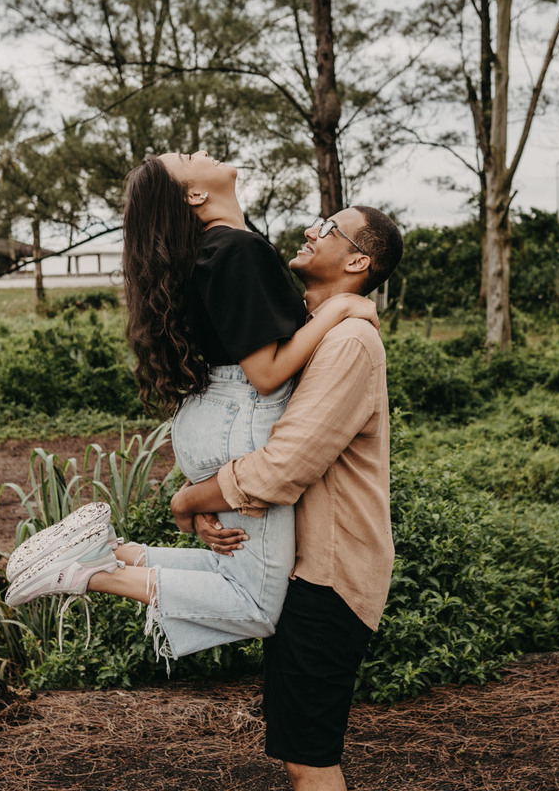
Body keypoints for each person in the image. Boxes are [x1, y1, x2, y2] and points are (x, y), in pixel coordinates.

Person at [4, 150, 376, 665]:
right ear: (195, 195)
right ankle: (91, 573)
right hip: (242, 416)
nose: (201, 151)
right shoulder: (238, 249)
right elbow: (266, 375)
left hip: (215, 416)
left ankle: (117, 555)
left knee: (234, 576)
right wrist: (339, 308)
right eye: (186, 157)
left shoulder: (210, 250)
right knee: (254, 606)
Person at [170, 204, 403, 791]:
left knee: (309, 759)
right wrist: (209, 505)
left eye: (328, 226)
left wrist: (188, 502)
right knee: (298, 750)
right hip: (302, 563)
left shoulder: (349, 341)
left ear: (357, 260)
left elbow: (283, 467)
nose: (310, 228)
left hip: (331, 575)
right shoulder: (313, 328)